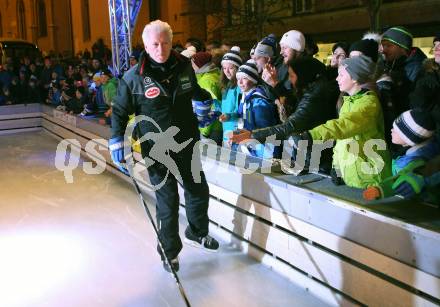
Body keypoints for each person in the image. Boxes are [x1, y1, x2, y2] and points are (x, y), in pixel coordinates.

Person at [109, 20, 219, 273]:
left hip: (186, 139)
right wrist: (117, 140)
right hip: (156, 147)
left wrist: (204, 101)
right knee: (168, 199)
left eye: (166, 42)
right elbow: (119, 112)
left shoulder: (183, 66)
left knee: (198, 189)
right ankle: (169, 252)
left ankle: (197, 232)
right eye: (155, 44)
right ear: (146, 46)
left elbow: (193, 91)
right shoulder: (133, 78)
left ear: (172, 42)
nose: (161, 48)